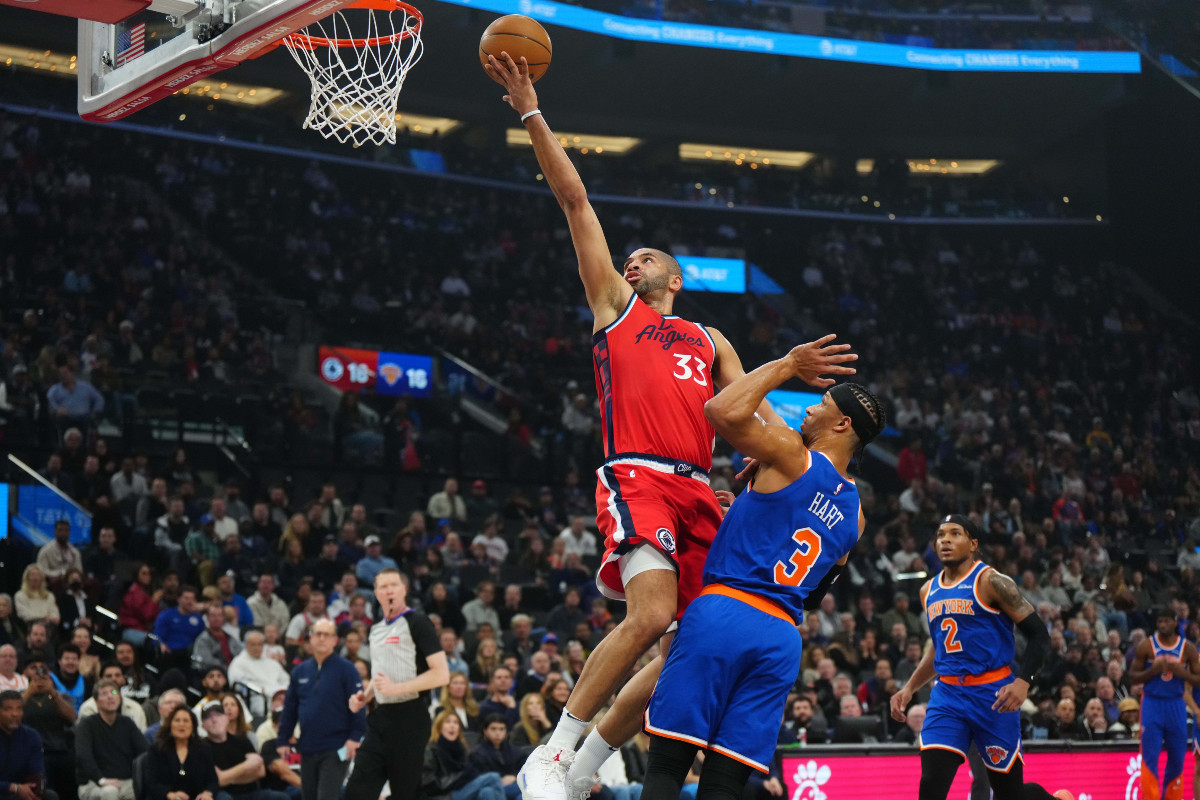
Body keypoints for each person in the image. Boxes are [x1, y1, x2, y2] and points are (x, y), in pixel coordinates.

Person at [485, 52, 797, 800]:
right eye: (628, 258)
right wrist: (532, 111)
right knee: (651, 611)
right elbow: (575, 201)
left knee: (689, 645)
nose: (632, 261)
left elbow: (755, 418)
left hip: (701, 493)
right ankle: (552, 754)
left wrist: (784, 457)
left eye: (646, 257)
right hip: (638, 475)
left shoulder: (710, 338)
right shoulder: (614, 311)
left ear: (676, 277)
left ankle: (585, 771)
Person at [639, 355, 876, 800]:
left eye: (819, 403)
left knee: (668, 763)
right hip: (781, 637)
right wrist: (742, 516)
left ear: (842, 424)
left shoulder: (791, 451)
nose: (807, 409)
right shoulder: (856, 515)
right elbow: (813, 591)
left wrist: (788, 364)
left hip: (726, 611)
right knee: (726, 784)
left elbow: (721, 410)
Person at [889, 516, 1071, 800]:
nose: (945, 540)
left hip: (993, 694)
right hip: (948, 695)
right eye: (940, 535)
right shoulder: (928, 591)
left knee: (1010, 795)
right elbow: (939, 648)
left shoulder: (993, 582)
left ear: (973, 544)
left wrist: (1023, 682)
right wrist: (910, 687)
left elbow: (1039, 635)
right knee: (931, 784)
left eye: (955, 534)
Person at [344, 569, 449, 800]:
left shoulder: (418, 622)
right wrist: (365, 697)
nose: (388, 590)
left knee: (405, 793)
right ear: (376, 593)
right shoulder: (376, 629)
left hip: (410, 717)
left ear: (404, 590)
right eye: (383, 586)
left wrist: (396, 689)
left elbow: (441, 675)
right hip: (380, 718)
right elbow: (380, 673)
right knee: (356, 792)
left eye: (394, 585)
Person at [276, 619, 365, 800]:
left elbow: (359, 705)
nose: (322, 638)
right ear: (310, 638)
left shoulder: (347, 669)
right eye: (318, 634)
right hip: (307, 746)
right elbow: (290, 709)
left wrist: (355, 737)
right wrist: (283, 739)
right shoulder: (299, 671)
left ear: (335, 640)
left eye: (327, 634)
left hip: (337, 747)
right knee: (308, 796)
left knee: (327, 796)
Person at [1128, 607, 1200, 800]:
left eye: (1166, 621)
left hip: (1176, 704)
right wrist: (1153, 671)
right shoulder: (1146, 646)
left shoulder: (1188, 648)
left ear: (1175, 622)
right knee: (1150, 757)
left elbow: (1198, 679)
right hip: (1152, 703)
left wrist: (1181, 672)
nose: (1162, 625)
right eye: (1159, 622)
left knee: (1177, 758)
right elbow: (1132, 677)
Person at [75, 679, 147, 800]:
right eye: (104, 694)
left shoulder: (127, 723)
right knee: (110, 792)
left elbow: (145, 750)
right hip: (94, 783)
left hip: (126, 781)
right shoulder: (87, 725)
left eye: (114, 692)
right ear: (97, 702)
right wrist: (101, 780)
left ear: (119, 697)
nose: (110, 696)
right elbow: (84, 756)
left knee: (148, 790)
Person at [202, 701, 289, 800]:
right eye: (208, 717)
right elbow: (218, 780)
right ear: (203, 726)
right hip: (224, 794)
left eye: (218, 714)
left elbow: (261, 771)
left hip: (251, 792)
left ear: (226, 719)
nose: (214, 720)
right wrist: (247, 765)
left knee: (282, 797)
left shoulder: (242, 740)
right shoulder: (203, 747)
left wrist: (228, 778)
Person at [19, 656, 76, 800]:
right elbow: (10, 717)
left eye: (42, 669)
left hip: (58, 751)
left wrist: (53, 693)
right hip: (29, 754)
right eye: (34, 668)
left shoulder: (61, 696)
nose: (39, 673)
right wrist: (29, 693)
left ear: (49, 673)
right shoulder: (19, 696)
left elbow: (72, 718)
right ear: (25, 673)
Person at [145, 706, 223, 800]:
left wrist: (207, 793)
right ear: (170, 725)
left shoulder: (204, 749)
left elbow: (213, 781)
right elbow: (151, 783)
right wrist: (169, 795)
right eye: (177, 720)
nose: (181, 724)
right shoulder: (157, 749)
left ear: (193, 726)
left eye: (186, 721)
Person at [426, 711, 505, 800]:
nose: (452, 726)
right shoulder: (431, 750)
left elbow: (468, 773)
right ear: (439, 727)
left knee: (487, 792)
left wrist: (464, 777)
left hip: (462, 789)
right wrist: (460, 777)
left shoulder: (460, 748)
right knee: (493, 777)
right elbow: (429, 784)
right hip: (444, 795)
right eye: (448, 722)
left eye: (456, 723)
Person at [0, 689, 57, 800]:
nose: (15, 714)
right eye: (8, 709)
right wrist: (13, 787)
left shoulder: (31, 736)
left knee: (50, 796)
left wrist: (36, 787)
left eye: (19, 709)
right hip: (5, 790)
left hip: (21, 789)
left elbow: (37, 771)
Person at [470, 715, 527, 800]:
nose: (497, 733)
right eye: (493, 729)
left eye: (501, 729)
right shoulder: (477, 753)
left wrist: (514, 777)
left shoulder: (516, 751)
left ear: (506, 731)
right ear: (485, 731)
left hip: (512, 784)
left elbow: (527, 769)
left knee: (524, 792)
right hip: (492, 787)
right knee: (488, 791)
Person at [78, 664, 147, 730]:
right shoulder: (88, 708)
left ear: (123, 679)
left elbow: (141, 736)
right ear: (101, 679)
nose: (114, 679)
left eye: (117, 675)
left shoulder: (135, 707)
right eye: (109, 676)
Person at [229, 632, 290, 696]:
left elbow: (286, 680)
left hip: (277, 696)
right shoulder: (238, 662)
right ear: (246, 645)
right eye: (253, 644)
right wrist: (259, 690)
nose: (256, 647)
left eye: (259, 644)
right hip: (255, 697)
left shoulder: (271, 662)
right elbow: (238, 684)